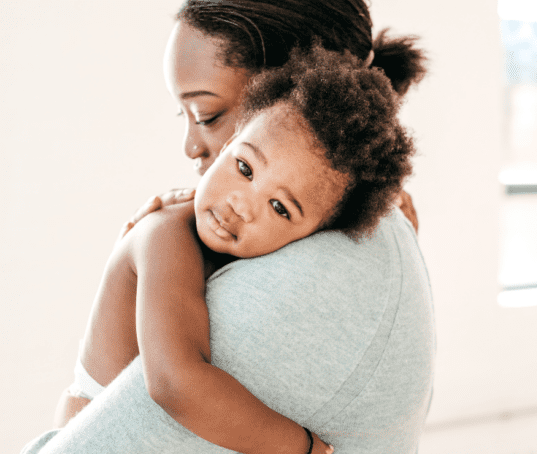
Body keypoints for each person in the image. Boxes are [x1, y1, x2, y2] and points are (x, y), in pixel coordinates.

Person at [23, 1, 434, 452]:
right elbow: (176, 382)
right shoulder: (167, 230)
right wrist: (305, 448)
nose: (190, 148)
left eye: (207, 116)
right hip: (79, 422)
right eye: (191, 117)